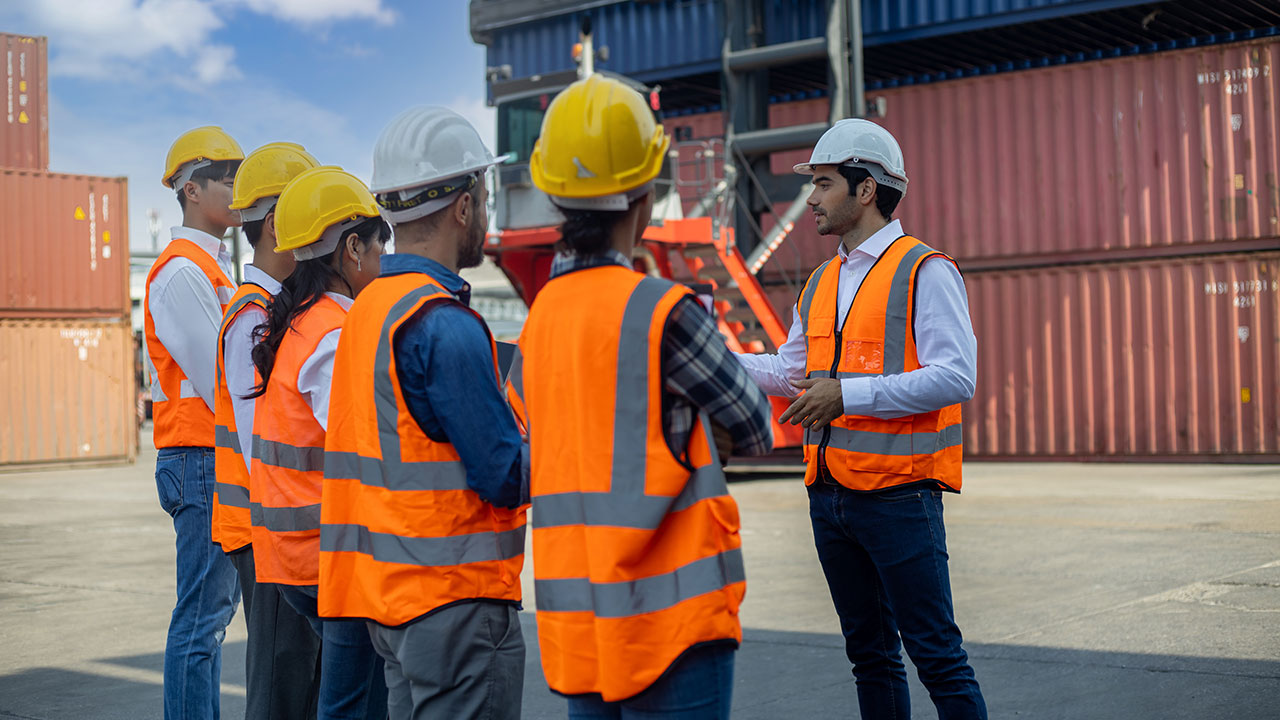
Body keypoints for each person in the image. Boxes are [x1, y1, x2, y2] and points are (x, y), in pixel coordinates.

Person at [508, 74, 774, 719]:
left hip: (578, 626)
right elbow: (756, 426)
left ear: (553, 196)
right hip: (672, 628)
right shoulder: (662, 310)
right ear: (647, 197)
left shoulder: (539, 320)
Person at [735, 118, 988, 720]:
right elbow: (789, 371)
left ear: (866, 189)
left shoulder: (926, 270)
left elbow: (958, 376)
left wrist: (848, 396)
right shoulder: (822, 280)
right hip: (830, 496)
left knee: (937, 656)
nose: (812, 199)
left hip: (900, 496)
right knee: (870, 658)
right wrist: (703, 351)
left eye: (823, 184)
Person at [318, 105, 527, 720]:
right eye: (483, 198)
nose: (485, 215)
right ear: (464, 205)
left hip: (392, 602)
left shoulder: (367, 311)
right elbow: (505, 476)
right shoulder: (444, 324)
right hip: (455, 605)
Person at [246, 166, 389, 720]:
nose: (383, 264)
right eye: (379, 249)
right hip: (326, 556)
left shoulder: (301, 320)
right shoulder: (333, 333)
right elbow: (362, 440)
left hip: (296, 555)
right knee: (353, 706)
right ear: (352, 249)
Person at [212, 142, 322, 720]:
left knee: (303, 681)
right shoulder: (253, 316)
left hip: (283, 530)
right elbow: (264, 448)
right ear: (280, 223)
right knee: (281, 687)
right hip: (266, 533)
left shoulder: (281, 308)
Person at [146, 125, 245, 720]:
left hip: (208, 459)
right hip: (199, 457)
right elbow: (220, 381)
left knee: (210, 621)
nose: (238, 189)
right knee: (202, 621)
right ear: (190, 189)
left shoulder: (213, 270)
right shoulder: (183, 272)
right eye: (227, 180)